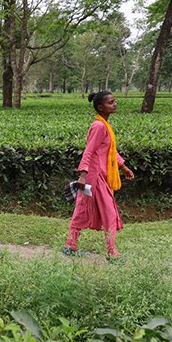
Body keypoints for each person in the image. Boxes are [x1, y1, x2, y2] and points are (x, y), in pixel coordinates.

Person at [62, 91, 134, 261]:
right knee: (108, 212)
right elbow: (89, 151)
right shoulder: (99, 126)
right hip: (94, 177)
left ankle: (70, 245)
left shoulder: (104, 125)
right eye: (111, 102)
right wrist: (83, 175)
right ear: (100, 107)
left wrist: (123, 166)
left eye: (114, 101)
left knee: (81, 208)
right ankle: (112, 251)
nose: (115, 104)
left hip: (99, 174)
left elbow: (109, 150)